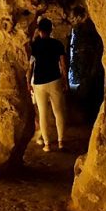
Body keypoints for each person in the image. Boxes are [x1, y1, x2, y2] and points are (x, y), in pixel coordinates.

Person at [29, 18, 68, 151]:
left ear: (39, 30)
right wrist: (65, 80)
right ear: (51, 29)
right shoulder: (57, 44)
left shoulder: (34, 46)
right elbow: (63, 64)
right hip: (55, 80)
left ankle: (47, 144)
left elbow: (31, 66)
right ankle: (61, 141)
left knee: (42, 114)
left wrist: (29, 82)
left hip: (39, 83)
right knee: (59, 112)